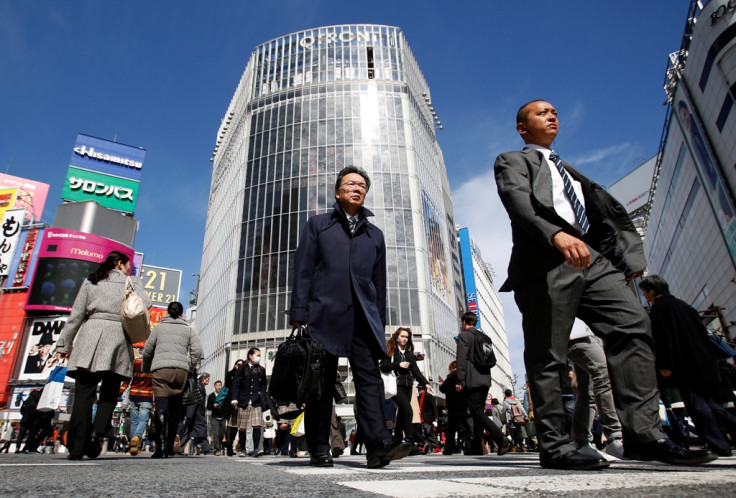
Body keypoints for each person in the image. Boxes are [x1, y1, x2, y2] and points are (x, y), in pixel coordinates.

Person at [493, 99, 716, 469]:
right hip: (546, 260)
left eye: (555, 112)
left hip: (592, 259)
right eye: (542, 112)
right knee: (548, 352)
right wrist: (554, 235)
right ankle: (555, 444)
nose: (552, 115)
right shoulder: (513, 160)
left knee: (633, 324)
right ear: (522, 127)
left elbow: (604, 215)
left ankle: (644, 435)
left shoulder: (571, 171)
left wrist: (625, 260)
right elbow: (517, 200)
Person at [289, 166, 413, 468]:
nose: (357, 188)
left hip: (363, 317)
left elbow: (379, 284)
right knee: (322, 383)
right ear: (337, 191)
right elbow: (303, 269)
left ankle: (377, 445)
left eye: (362, 185)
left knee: (370, 380)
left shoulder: (375, 235)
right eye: (350, 184)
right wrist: (299, 312)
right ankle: (320, 447)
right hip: (323, 315)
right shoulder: (318, 225)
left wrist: (379, 323)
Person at [54, 251, 151, 460]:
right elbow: (147, 304)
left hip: (91, 335)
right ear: (119, 264)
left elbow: (77, 314)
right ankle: (98, 434)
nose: (129, 269)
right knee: (109, 392)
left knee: (84, 394)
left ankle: (77, 446)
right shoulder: (131, 282)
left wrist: (64, 344)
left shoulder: (92, 280)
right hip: (118, 336)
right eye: (127, 265)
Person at [640, 275, 736, 457]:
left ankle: (719, 445)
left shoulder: (659, 309)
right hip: (704, 363)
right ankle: (726, 436)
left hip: (683, 365)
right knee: (712, 404)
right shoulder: (685, 306)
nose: (644, 295)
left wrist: (663, 364)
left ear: (652, 291)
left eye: (644, 292)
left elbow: (663, 339)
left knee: (696, 405)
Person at [142, 301, 202, 458]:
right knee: (176, 411)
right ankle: (169, 446)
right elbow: (197, 351)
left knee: (161, 408)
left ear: (167, 312)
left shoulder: (159, 328)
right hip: (181, 372)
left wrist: (147, 368)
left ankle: (159, 447)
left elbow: (148, 350)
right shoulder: (188, 329)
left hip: (161, 371)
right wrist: (188, 365)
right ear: (182, 314)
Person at [567, 320, 624, 460]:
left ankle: (582, 442)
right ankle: (614, 436)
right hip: (577, 331)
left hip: (589, 331)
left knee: (587, 390)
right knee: (603, 375)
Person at [455, 311, 510, 456]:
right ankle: (478, 445)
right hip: (485, 378)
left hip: (472, 379)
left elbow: (461, 359)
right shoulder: (484, 337)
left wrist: (460, 380)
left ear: (464, 322)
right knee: (478, 411)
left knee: (476, 411)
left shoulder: (463, 336)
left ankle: (500, 437)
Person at [380, 327, 434, 451]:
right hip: (396, 385)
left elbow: (415, 370)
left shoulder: (409, 352)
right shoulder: (391, 350)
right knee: (408, 410)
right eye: (402, 336)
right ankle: (410, 443)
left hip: (408, 386)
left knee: (402, 414)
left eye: (406, 337)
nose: (405, 339)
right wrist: (398, 365)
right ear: (397, 337)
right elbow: (383, 366)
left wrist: (425, 383)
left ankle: (396, 441)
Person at [231, 347, 267, 457]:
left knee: (257, 425)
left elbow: (264, 384)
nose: (259, 357)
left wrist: (261, 393)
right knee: (242, 427)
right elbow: (236, 384)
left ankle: (256, 449)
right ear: (250, 356)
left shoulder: (261, 369)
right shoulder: (242, 368)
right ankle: (243, 450)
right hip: (243, 400)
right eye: (257, 355)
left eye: (260, 355)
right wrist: (234, 398)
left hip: (256, 401)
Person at [120, 344, 153, 456]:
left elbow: (127, 380)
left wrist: (120, 392)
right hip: (147, 395)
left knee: (134, 421)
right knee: (143, 420)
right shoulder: (153, 365)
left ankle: (133, 447)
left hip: (134, 394)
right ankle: (137, 437)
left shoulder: (135, 363)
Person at [439, 361, 472, 455]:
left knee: (451, 429)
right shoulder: (465, 377)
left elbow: (443, 389)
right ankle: (468, 447)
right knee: (467, 428)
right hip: (464, 405)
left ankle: (449, 449)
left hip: (453, 406)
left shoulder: (450, 377)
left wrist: (442, 384)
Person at [186, 373, 212, 455]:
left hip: (199, 411)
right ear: (202, 379)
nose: (208, 381)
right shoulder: (199, 387)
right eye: (207, 379)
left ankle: (204, 447)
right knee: (200, 428)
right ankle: (205, 447)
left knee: (198, 429)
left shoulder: (201, 387)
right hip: (197, 411)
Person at [223, 359, 244, 456]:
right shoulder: (230, 373)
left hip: (240, 401)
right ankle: (229, 445)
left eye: (241, 365)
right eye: (238, 364)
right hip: (230, 402)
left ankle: (233, 445)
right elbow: (227, 384)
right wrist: (235, 372)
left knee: (236, 426)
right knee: (230, 425)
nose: (239, 366)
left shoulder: (244, 374)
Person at [207, 380, 227, 455]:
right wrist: (213, 406)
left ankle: (221, 446)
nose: (218, 387)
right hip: (215, 417)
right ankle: (217, 449)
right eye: (217, 385)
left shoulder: (224, 395)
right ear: (214, 386)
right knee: (216, 433)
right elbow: (208, 407)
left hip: (223, 417)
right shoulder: (211, 396)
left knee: (222, 433)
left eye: (220, 385)